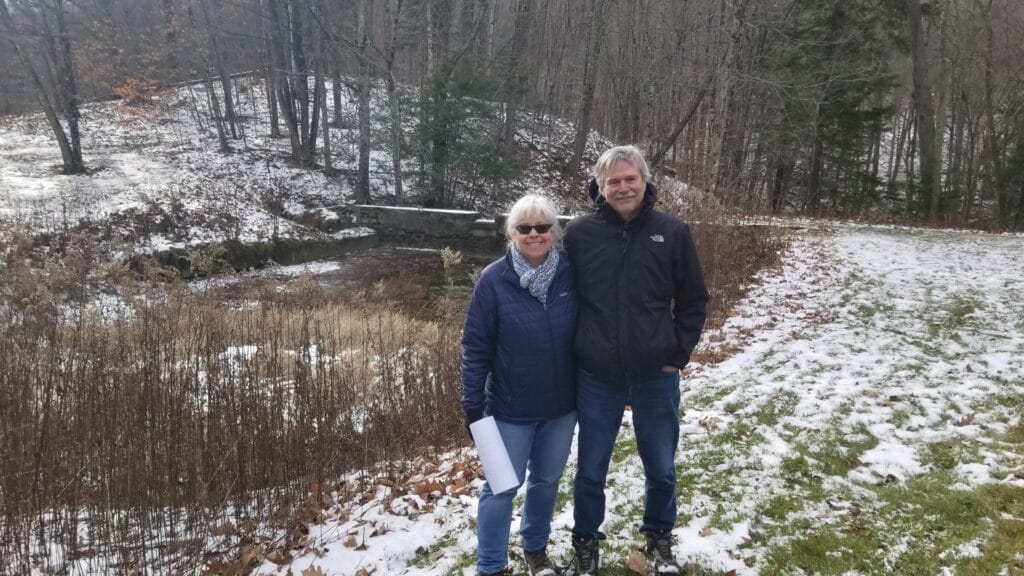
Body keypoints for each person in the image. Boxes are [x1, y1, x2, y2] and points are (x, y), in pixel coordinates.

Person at [564, 146, 709, 576]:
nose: (623, 187)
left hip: (654, 374)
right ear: (600, 187)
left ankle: (659, 537)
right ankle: (586, 543)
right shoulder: (580, 235)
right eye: (614, 182)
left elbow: (694, 299)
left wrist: (676, 354)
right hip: (597, 375)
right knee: (590, 470)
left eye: (630, 179)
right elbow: (559, 295)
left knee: (661, 466)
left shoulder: (672, 232)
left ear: (645, 182)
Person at [462, 194, 578, 576]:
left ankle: (536, 551)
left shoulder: (570, 274)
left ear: (553, 232)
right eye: (524, 228)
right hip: (510, 409)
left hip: (561, 407)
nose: (534, 234)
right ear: (511, 232)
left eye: (542, 227)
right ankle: (491, 565)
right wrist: (472, 402)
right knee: (500, 488)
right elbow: (476, 345)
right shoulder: (493, 280)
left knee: (546, 482)